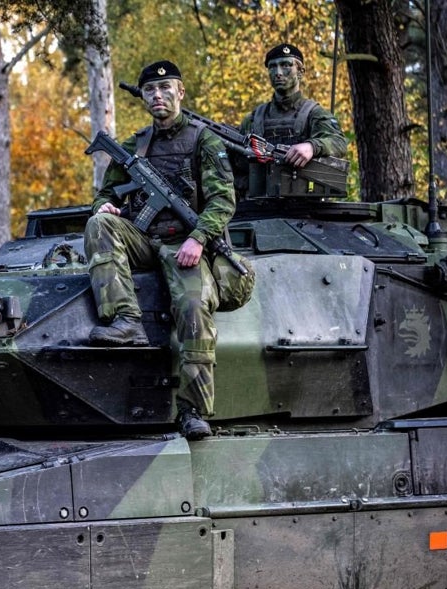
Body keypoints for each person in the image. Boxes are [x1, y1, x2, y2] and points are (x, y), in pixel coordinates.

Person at [84, 60, 236, 441]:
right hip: (142, 236)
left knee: (193, 306)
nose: (158, 96)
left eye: (166, 88)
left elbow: (222, 201)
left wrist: (198, 238)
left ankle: (193, 411)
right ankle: (125, 318)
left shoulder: (205, 140)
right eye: (150, 90)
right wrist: (105, 206)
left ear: (180, 92)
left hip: (183, 243)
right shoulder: (136, 144)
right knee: (99, 224)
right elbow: (106, 191)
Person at [236, 43, 348, 198]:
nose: (278, 72)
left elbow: (339, 143)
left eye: (286, 65)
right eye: (272, 67)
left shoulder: (313, 113)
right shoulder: (255, 118)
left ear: (300, 72)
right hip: (258, 207)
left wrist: (311, 146)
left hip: (305, 209)